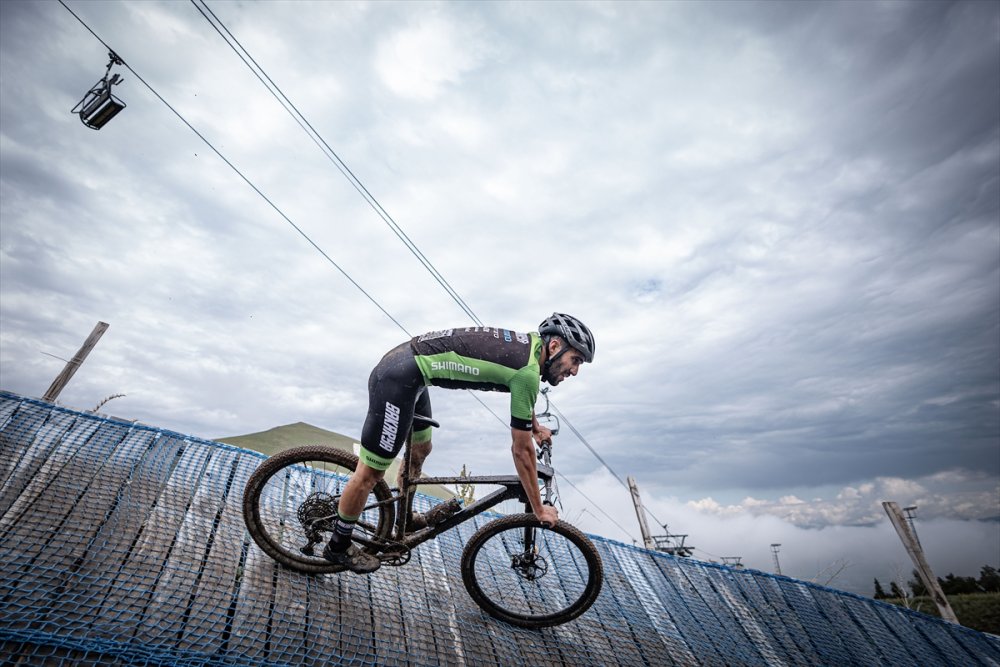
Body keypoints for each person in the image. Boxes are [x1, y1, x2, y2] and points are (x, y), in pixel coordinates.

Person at [324, 312, 596, 574]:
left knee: (421, 449)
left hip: (412, 372)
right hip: (399, 378)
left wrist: (535, 427)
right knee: (370, 473)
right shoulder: (526, 374)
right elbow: (521, 451)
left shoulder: (530, 349)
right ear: (555, 345)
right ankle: (339, 544)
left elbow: (523, 398)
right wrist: (538, 509)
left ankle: (404, 519)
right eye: (575, 360)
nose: (575, 371)